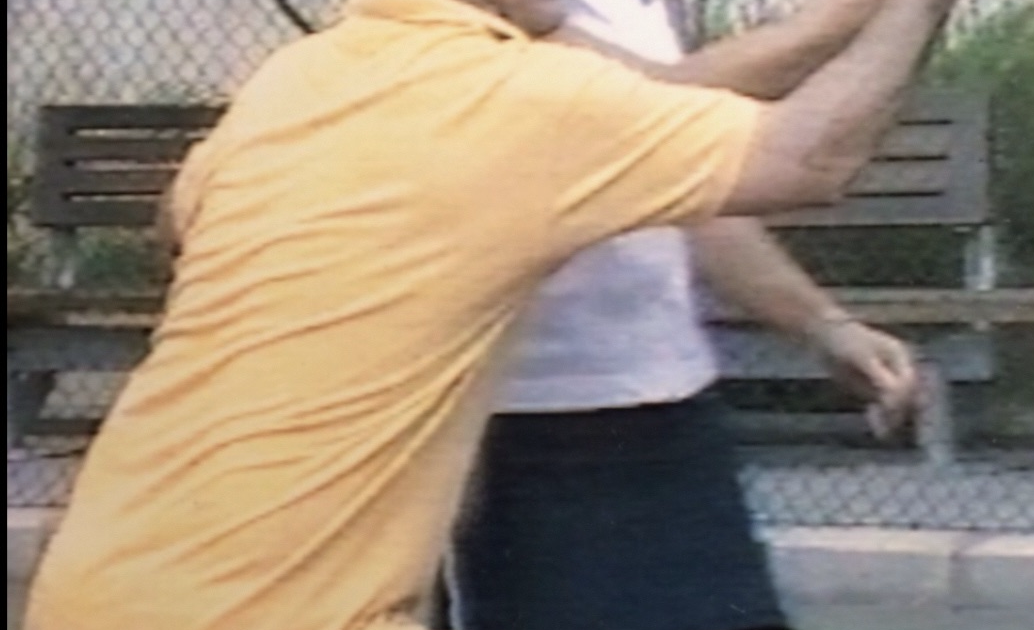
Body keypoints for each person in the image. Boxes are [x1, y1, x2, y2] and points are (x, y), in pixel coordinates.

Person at [25, 0, 956, 629]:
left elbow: (179, 226)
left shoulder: (291, 83)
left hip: (103, 577)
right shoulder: (510, 93)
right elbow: (806, 159)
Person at [438, 2, 923, 630]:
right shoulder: (491, 16)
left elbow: (680, 185)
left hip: (666, 397)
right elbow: (676, 109)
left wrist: (823, 323)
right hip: (529, 418)